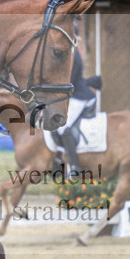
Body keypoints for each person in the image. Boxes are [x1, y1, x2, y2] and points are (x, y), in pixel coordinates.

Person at [57, 24, 101, 170]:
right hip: (77, 94)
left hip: (81, 96)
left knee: (63, 128)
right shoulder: (71, 52)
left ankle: (75, 166)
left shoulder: (73, 55)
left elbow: (69, 81)